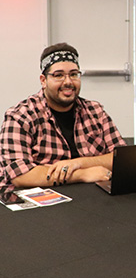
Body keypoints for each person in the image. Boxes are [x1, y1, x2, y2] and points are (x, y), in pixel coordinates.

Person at [0, 43, 126, 196]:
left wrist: (78, 163)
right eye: (58, 75)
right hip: (37, 203)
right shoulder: (20, 116)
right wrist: (81, 174)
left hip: (91, 198)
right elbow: (20, 175)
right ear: (43, 80)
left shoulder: (95, 111)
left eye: (73, 74)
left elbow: (122, 159)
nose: (68, 82)